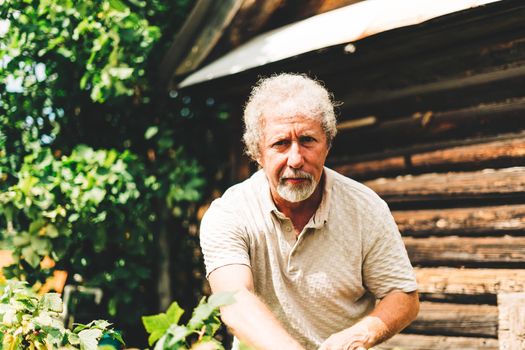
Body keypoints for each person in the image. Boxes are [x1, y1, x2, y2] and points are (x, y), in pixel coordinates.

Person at [199, 73, 419, 350]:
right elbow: (235, 301)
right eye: (280, 144)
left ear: (327, 144)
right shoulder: (229, 213)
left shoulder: (366, 208)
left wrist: (361, 334)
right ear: (257, 152)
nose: (296, 159)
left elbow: (403, 296)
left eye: (307, 140)